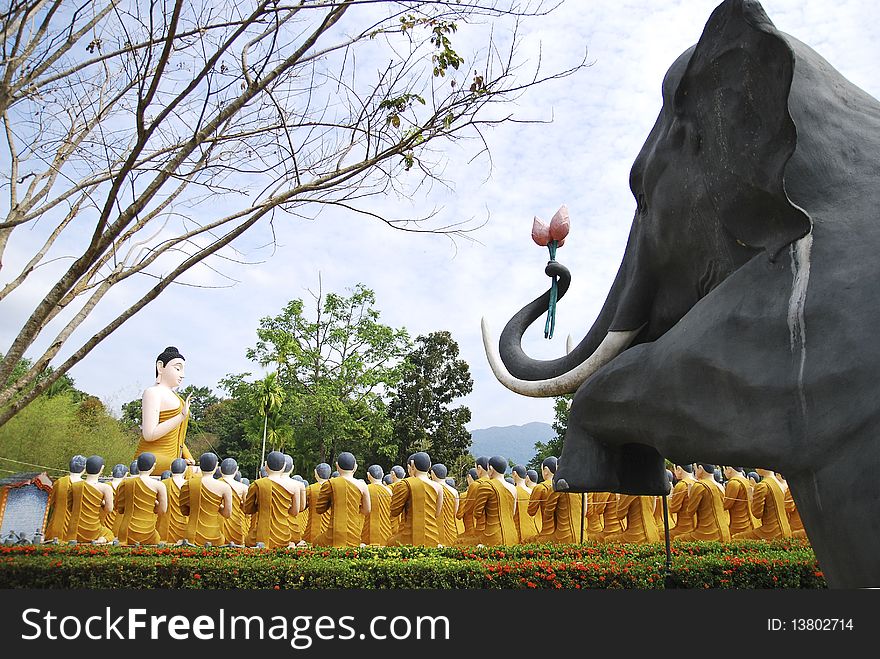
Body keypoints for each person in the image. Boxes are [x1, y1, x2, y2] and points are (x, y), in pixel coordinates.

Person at [135, 346, 194, 474]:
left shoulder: (177, 398)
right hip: (151, 458)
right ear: (160, 367)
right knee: (192, 472)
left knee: (202, 470)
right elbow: (149, 434)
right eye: (178, 369)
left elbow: (179, 437)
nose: (182, 375)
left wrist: (188, 456)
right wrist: (180, 416)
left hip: (173, 458)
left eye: (183, 370)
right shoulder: (153, 393)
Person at [244, 451, 300, 548]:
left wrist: (260, 506)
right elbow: (294, 512)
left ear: (266, 465)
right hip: (283, 536)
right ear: (284, 466)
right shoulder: (294, 487)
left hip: (259, 537)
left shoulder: (257, 484)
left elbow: (248, 510)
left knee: (248, 540)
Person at [314, 452, 370, 547]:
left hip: (334, 533)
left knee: (316, 542)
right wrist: (354, 508)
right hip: (354, 533)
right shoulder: (362, 486)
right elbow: (367, 510)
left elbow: (319, 509)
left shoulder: (330, 483)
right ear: (355, 467)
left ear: (337, 466)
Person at [387, 452, 444, 547]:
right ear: (429, 466)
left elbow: (394, 512)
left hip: (408, 536)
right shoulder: (438, 487)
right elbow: (437, 513)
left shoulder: (404, 484)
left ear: (412, 465)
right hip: (432, 536)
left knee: (390, 542)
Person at [179, 453, 233, 546]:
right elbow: (227, 514)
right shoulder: (225, 487)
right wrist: (217, 506)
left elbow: (184, 512)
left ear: (200, 465)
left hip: (192, 534)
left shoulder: (189, 484)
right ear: (216, 466)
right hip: (214, 534)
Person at [115, 452, 167, 545]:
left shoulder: (125, 483)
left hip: (126, 531)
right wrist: (153, 505)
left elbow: (120, 509)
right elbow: (162, 510)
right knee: (157, 542)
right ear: (153, 466)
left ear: (137, 466)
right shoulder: (159, 485)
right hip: (148, 531)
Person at [465, 455, 518, 546]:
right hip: (512, 534)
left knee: (461, 544)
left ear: (491, 468)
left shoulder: (486, 486)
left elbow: (477, 514)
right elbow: (512, 513)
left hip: (492, 535)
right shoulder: (513, 488)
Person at [674, 463, 730, 542]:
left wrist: (690, 496)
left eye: (695, 469)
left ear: (700, 469)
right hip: (725, 531)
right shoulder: (720, 486)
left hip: (707, 533)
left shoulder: (699, 486)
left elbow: (690, 512)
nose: (695, 472)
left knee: (677, 539)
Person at [733, 468, 792, 540]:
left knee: (737, 538)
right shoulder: (780, 484)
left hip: (771, 531)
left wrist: (751, 498)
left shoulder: (762, 486)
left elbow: (757, 514)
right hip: (786, 528)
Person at [67, 455, 115, 543]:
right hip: (92, 528)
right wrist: (101, 504)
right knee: (109, 534)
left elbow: (70, 507)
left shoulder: (75, 486)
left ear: (85, 468)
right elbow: (109, 509)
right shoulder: (105, 487)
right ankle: (100, 540)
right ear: (101, 469)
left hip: (73, 529)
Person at [44, 454, 86, 542]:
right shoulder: (85, 486)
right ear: (84, 469)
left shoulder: (59, 482)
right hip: (77, 527)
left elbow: (51, 502)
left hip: (56, 525)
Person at [157, 458, 189, 544]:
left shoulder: (162, 484)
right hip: (186, 524)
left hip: (164, 526)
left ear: (170, 468)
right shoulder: (190, 484)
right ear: (185, 469)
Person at [219, 457, 249, 546]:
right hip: (235, 524)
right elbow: (246, 511)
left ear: (220, 470)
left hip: (217, 524)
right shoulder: (243, 487)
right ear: (236, 470)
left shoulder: (215, 484)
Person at [362, 465, 393, 546]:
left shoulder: (365, 490)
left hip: (366, 533)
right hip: (386, 532)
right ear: (382, 475)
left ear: (368, 475)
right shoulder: (389, 491)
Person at [722, 466, 757, 537]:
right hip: (748, 522)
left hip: (739, 524)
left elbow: (726, 505)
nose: (723, 472)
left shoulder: (733, 483)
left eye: (724, 470)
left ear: (729, 469)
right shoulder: (747, 481)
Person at [430, 463, 459, 546]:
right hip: (451, 529)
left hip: (435, 528)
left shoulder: (432, 489)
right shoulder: (454, 492)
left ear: (432, 473)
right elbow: (455, 512)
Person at [303, 462, 332, 543]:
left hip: (312, 530)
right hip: (329, 529)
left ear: (315, 473)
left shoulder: (310, 489)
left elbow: (302, 507)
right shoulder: (334, 489)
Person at [512, 465, 539, 543]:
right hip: (533, 528)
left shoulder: (514, 491)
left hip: (517, 531)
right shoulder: (532, 491)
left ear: (514, 474)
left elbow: (512, 512)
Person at [669, 463, 696, 539]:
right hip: (696, 525)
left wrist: (669, 499)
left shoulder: (681, 485)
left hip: (684, 527)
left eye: (675, 470)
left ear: (679, 470)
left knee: (661, 536)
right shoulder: (697, 483)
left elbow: (674, 508)